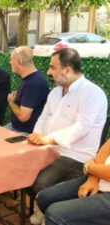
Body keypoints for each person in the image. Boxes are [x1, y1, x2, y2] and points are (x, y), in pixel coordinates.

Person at [27, 48, 108, 224]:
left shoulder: (92, 93)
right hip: (49, 148)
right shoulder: (55, 91)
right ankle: (42, 210)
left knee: (41, 182)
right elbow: (43, 117)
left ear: (67, 70)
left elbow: (82, 127)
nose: (48, 72)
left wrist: (49, 139)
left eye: (52, 67)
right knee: (22, 168)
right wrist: (37, 135)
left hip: (74, 155)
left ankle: (45, 215)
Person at [36, 138, 110, 225]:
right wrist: (93, 178)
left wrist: (89, 167)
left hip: (88, 164)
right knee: (45, 198)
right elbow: (105, 149)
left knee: (54, 215)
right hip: (99, 176)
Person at [6, 46, 49, 134]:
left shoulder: (34, 83)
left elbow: (23, 117)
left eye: (11, 59)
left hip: (25, 132)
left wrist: (11, 102)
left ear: (19, 62)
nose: (10, 62)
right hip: (15, 127)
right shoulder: (31, 79)